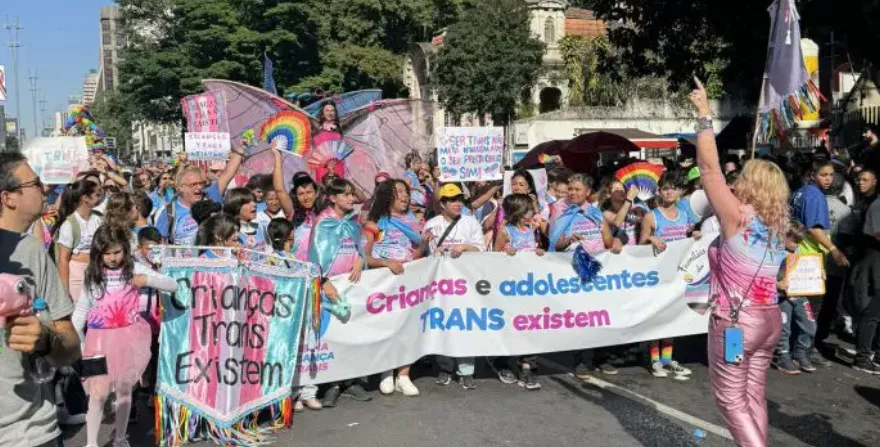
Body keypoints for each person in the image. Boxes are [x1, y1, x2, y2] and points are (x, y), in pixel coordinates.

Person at [691, 78, 790, 447]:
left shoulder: (737, 217)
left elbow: (709, 169)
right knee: (752, 397)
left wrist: (703, 114)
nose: (736, 182)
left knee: (730, 400)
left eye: (743, 178)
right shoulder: (777, 227)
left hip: (736, 324)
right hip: (769, 321)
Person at [0, 153, 82, 447]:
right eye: (35, 183)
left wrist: (46, 340)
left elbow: (70, 345)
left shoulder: (32, 251)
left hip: (30, 434)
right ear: (9, 198)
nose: (45, 189)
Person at [72, 225, 178, 447]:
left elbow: (173, 285)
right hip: (96, 341)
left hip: (128, 340)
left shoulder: (134, 268)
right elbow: (82, 308)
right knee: (97, 394)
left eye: (117, 252)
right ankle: (91, 443)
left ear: (125, 250)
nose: (112, 258)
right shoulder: (92, 273)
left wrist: (147, 280)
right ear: (98, 253)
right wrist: (77, 340)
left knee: (124, 390)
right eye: (107, 253)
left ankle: (120, 437)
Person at [309, 178, 370, 407]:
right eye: (344, 195)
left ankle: (350, 380)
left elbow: (359, 246)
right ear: (333, 198)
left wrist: (359, 259)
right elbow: (314, 254)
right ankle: (332, 384)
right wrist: (323, 281)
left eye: (351, 194)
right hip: (330, 283)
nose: (350, 198)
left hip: (351, 282)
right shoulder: (322, 222)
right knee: (332, 333)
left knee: (351, 330)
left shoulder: (353, 221)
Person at [363, 179, 422, 397]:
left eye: (406, 192)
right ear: (388, 196)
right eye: (399, 192)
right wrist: (386, 263)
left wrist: (423, 246)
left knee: (407, 327)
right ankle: (385, 371)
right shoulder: (375, 222)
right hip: (383, 285)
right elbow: (364, 256)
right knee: (386, 327)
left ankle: (404, 375)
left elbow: (418, 254)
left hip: (407, 284)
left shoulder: (413, 223)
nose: (405, 196)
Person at [422, 183, 485, 389]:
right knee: (443, 324)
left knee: (466, 324)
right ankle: (445, 367)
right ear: (442, 204)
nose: (457, 203)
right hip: (440, 285)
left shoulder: (471, 222)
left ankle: (467, 370)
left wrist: (465, 247)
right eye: (451, 200)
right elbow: (424, 256)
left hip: (466, 284)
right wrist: (426, 245)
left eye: (459, 199)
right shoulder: (432, 223)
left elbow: (482, 251)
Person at [639, 172, 697, 379]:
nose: (669, 191)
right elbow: (640, 246)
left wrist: (695, 235)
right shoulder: (651, 216)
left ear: (680, 192)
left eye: (673, 188)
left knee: (672, 317)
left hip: (678, 274)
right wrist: (651, 238)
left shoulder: (685, 214)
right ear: (659, 192)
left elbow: (688, 236)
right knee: (658, 317)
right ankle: (654, 359)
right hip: (657, 274)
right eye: (665, 188)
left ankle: (667, 358)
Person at [492, 193, 545, 390]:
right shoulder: (506, 231)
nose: (532, 212)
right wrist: (505, 253)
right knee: (512, 328)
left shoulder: (531, 229)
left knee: (531, 328)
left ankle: (528, 367)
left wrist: (538, 253)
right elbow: (493, 257)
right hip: (512, 289)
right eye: (528, 209)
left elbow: (532, 252)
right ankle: (503, 362)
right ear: (518, 212)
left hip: (530, 288)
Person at [155, 149, 241, 245]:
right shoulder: (169, 212)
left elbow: (227, 174)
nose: (199, 187)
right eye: (194, 184)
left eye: (201, 183)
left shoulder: (210, 196)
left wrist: (240, 149)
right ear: (181, 188)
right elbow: (160, 245)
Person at [772, 221, 818, 375]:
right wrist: (777, 284)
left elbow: (805, 269)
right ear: (783, 236)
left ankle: (800, 352)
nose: (796, 245)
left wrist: (817, 275)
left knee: (810, 324)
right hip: (781, 297)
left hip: (798, 294)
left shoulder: (797, 251)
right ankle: (782, 355)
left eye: (799, 241)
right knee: (784, 328)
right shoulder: (772, 252)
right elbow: (764, 275)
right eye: (794, 240)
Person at [53, 179, 104, 302]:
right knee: (78, 317)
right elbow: (63, 260)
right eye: (97, 194)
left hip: (97, 271)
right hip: (76, 276)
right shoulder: (69, 224)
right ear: (86, 198)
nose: (101, 197)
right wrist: (65, 289)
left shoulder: (99, 218)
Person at [222, 187, 266, 253]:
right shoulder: (229, 232)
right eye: (247, 202)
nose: (254, 204)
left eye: (254, 201)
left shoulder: (261, 226)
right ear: (236, 206)